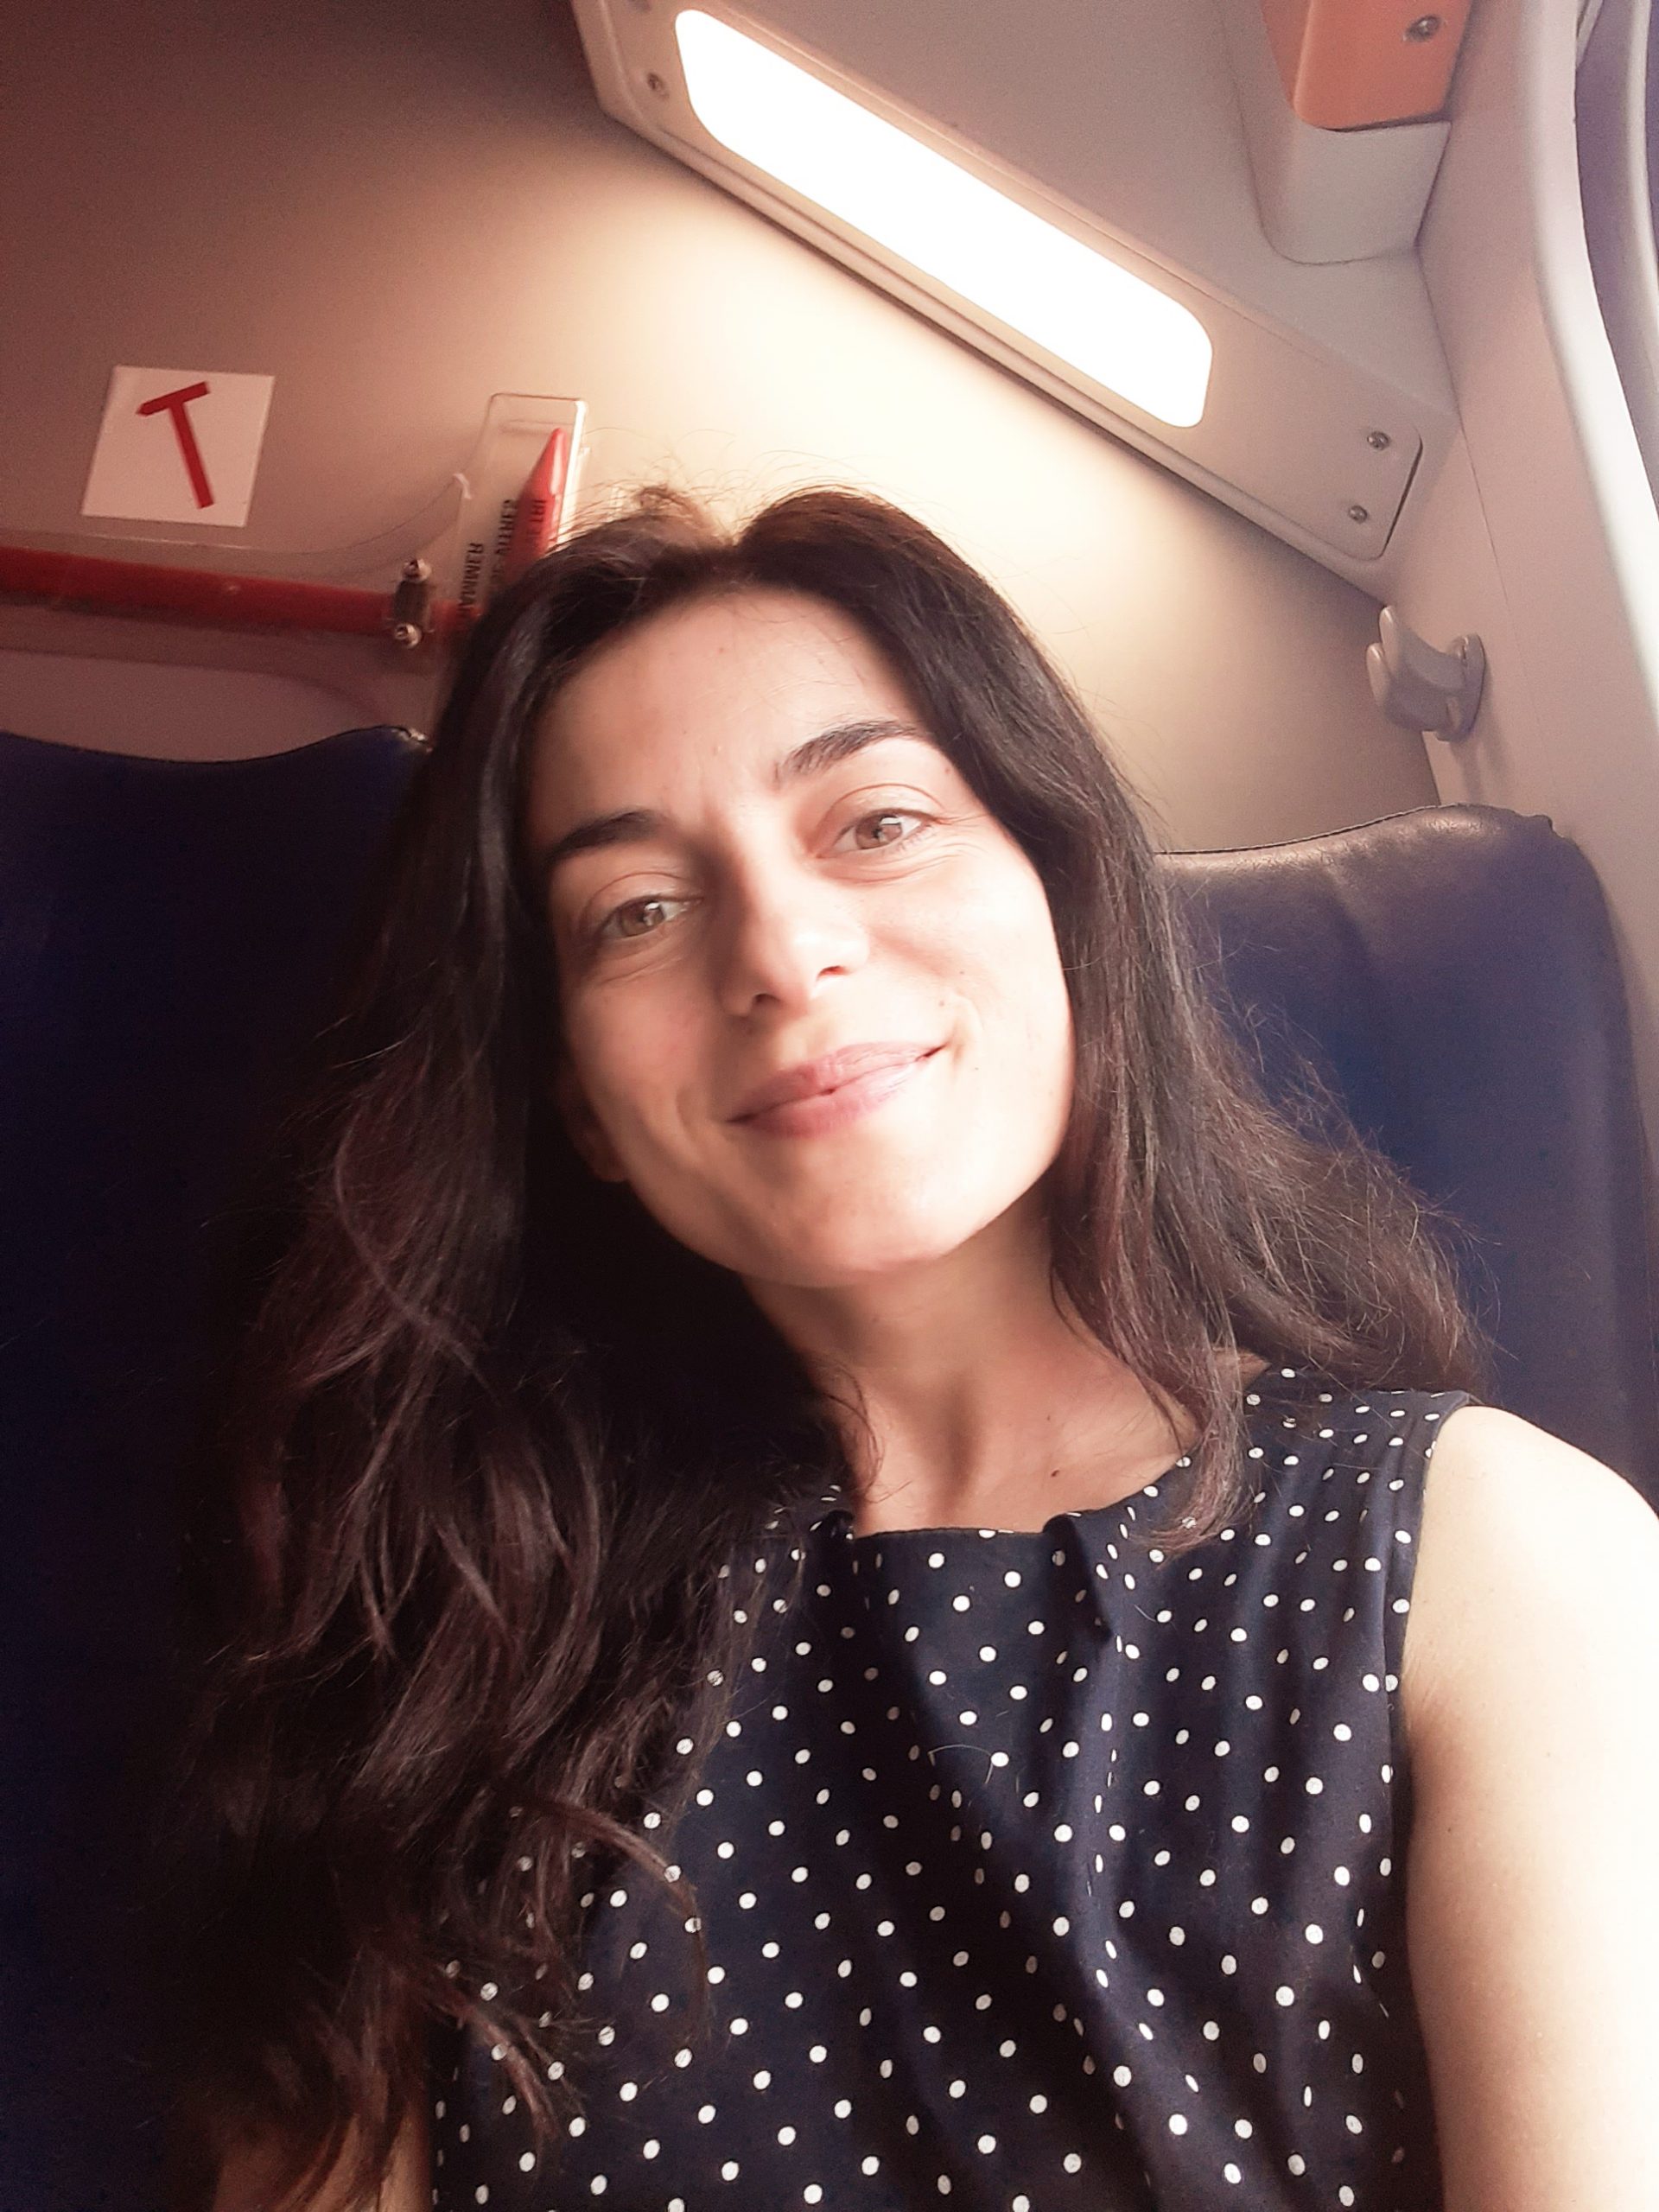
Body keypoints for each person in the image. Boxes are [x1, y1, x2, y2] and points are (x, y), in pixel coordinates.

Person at [176, 487, 1659, 2212]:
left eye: (878, 821)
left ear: (1066, 898)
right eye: (637, 909)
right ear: (578, 1103)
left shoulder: (1500, 1557)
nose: (782, 952)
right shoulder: (455, 1637)